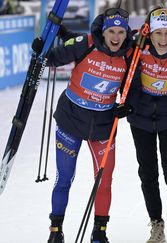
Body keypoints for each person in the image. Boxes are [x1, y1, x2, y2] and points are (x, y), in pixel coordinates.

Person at [32, 7, 135, 243]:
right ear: (104, 31)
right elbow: (54, 58)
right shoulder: (86, 43)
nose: (116, 37)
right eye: (112, 31)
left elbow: (133, 89)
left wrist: (127, 106)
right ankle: (55, 230)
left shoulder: (129, 54)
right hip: (71, 120)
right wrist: (41, 50)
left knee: (105, 179)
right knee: (64, 177)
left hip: (103, 126)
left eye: (121, 31)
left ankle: (99, 232)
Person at [125, 7, 167, 243]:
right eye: (158, 34)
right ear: (150, 34)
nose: (162, 40)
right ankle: (157, 225)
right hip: (141, 118)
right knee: (147, 173)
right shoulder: (138, 49)